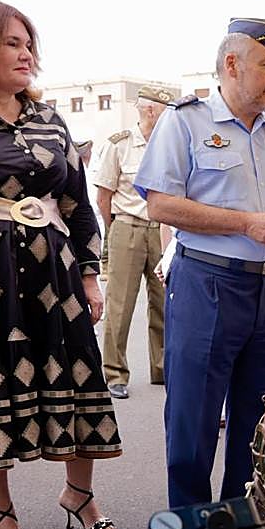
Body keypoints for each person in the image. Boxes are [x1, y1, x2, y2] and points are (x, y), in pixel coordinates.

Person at [0, 0, 121, 529]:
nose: (26, 54)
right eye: (13, 43)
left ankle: (79, 496)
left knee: (77, 371)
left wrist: (89, 273)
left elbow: (77, 202)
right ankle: (1, 515)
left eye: (28, 43)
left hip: (53, 270)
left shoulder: (50, 120)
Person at [134, 17, 265, 507]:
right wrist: (244, 223)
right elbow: (161, 205)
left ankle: (243, 525)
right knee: (193, 424)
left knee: (261, 425)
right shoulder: (185, 120)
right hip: (208, 284)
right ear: (232, 64)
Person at [94, 84, 175, 398]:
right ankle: (115, 373)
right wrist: (113, 229)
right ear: (151, 110)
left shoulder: (171, 145)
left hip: (162, 229)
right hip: (127, 227)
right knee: (120, 304)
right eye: (167, 113)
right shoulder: (120, 145)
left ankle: (162, 368)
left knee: (164, 303)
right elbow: (104, 196)